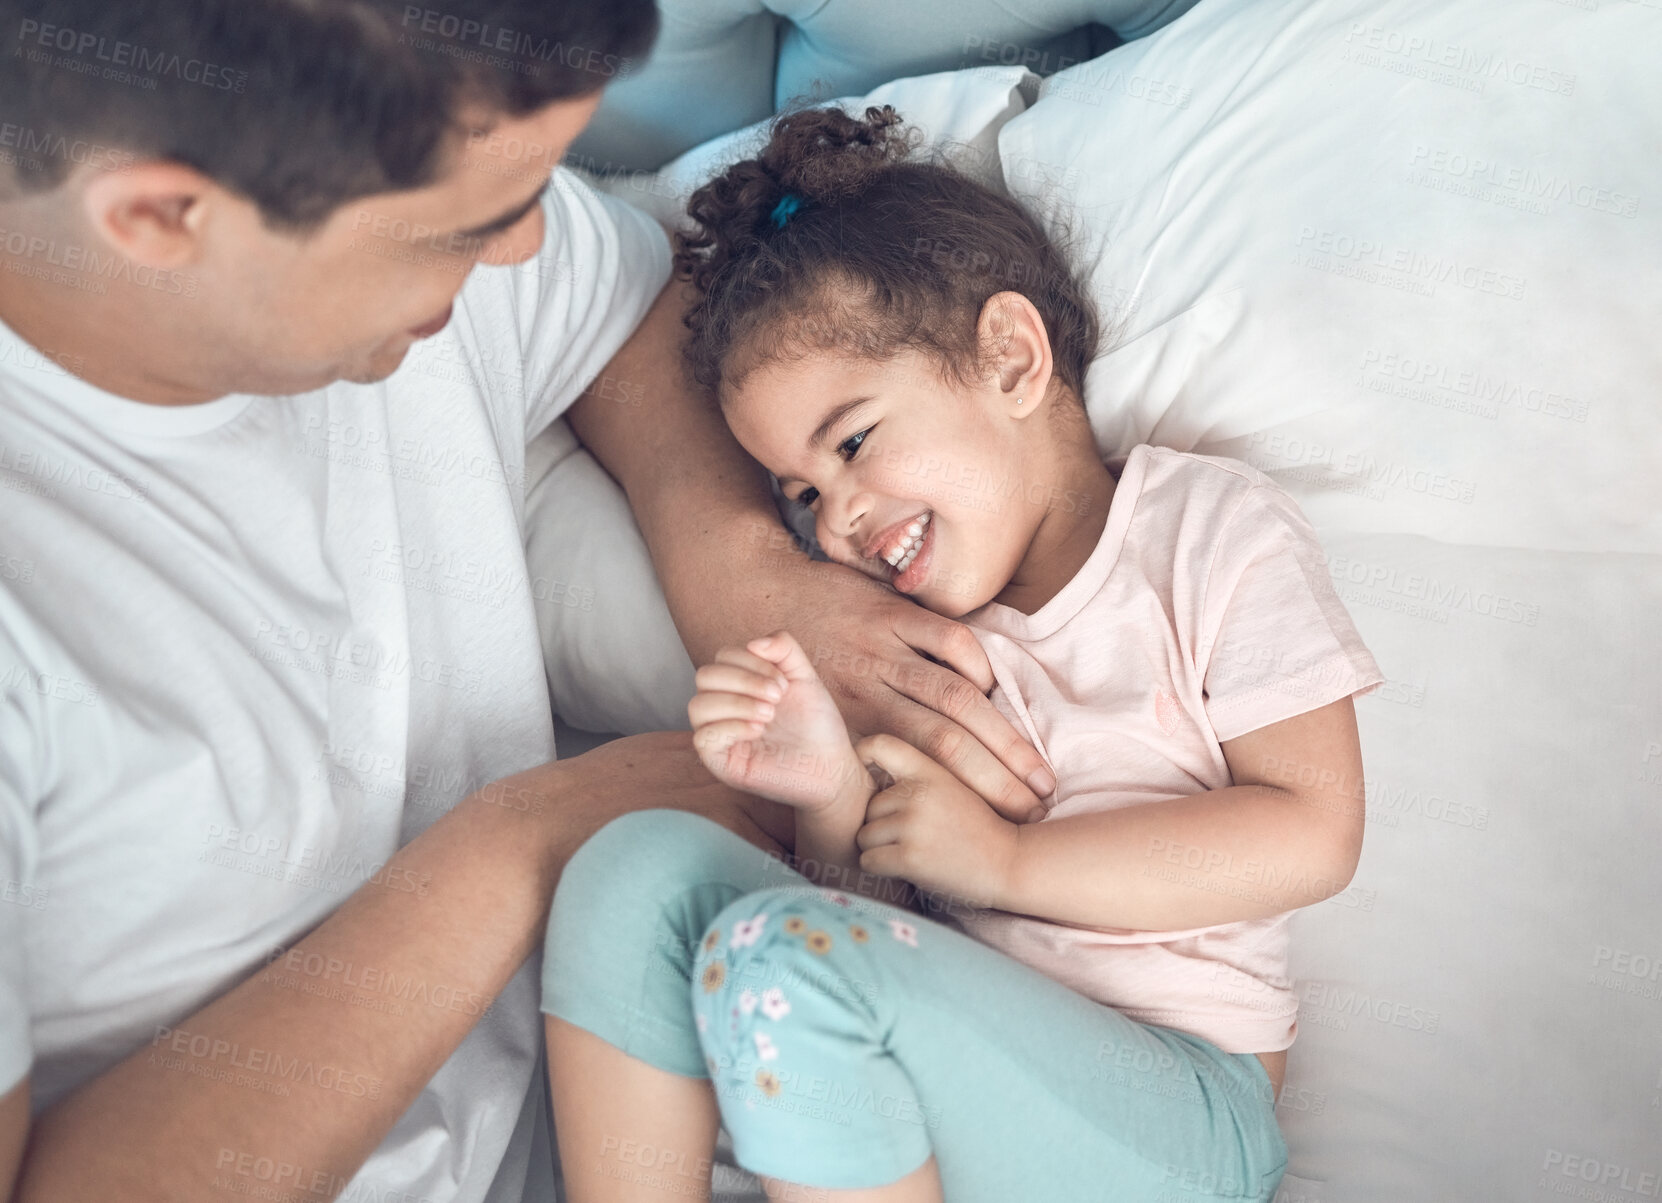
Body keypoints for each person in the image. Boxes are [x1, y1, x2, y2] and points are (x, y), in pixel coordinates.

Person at [0, 4, 1060, 1200]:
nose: (522, 248)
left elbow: (632, 317)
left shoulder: (376, 173)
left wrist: (752, 582)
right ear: (157, 219)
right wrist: (526, 844)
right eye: (465, 229)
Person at [540, 106, 1385, 1202]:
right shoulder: (904, 641)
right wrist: (829, 789)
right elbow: (870, 912)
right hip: (935, 1088)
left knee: (789, 966)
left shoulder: (1204, 533)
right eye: (803, 496)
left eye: (851, 443)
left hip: (1173, 1108)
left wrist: (1009, 865)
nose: (839, 518)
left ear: (1012, 357)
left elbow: (1314, 834)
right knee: (633, 873)